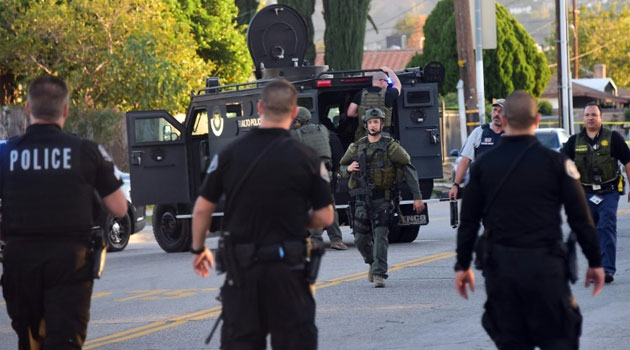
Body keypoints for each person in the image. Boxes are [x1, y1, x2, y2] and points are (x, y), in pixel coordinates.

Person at [454, 90, 605, 350]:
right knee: (559, 340)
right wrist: (595, 262)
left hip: (502, 271)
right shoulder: (556, 163)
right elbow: (581, 218)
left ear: (505, 120)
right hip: (546, 269)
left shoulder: (483, 165)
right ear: (536, 121)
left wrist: (462, 265)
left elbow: (468, 222)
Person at [190, 79, 334, 349]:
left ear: (259, 108)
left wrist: (198, 250)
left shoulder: (229, 154)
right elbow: (326, 217)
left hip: (243, 274)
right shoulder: (307, 158)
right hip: (288, 274)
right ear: (293, 113)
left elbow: (202, 209)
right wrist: (294, 219)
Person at [0, 75, 127, 349]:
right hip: (69, 262)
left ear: (28, 109)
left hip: (20, 261)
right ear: (66, 110)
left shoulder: (6, 153)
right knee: (64, 341)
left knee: (30, 340)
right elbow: (119, 207)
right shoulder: (86, 151)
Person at [340, 108, 425, 288]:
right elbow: (340, 167)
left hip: (383, 198)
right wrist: (347, 170)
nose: (373, 125)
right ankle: (372, 263)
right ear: (366, 125)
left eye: (376, 121)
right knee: (360, 239)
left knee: (380, 235)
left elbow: (409, 168)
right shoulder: (356, 146)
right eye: (370, 122)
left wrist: (417, 197)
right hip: (361, 199)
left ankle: (379, 273)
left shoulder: (391, 147)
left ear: (381, 124)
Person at [561, 102, 630, 284]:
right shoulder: (574, 141)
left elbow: (628, 163)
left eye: (594, 114)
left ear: (601, 117)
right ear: (583, 118)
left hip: (609, 191)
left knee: (606, 225)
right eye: (587, 115)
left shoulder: (613, 138)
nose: (590, 118)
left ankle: (607, 270)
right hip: (585, 192)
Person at [291, 106, 348, 250]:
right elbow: (336, 152)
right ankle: (336, 240)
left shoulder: (294, 135)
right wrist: (336, 171)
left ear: (299, 121)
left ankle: (315, 239)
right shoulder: (324, 130)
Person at [449, 99, 506, 199]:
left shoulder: (513, 134)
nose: (496, 114)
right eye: (494, 110)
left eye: (500, 111)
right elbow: (465, 160)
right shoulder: (479, 132)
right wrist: (456, 185)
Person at [347, 66, 401, 140]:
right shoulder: (388, 94)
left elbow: (350, 113)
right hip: (382, 138)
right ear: (382, 81)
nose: (388, 84)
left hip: (364, 138)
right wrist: (389, 71)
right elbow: (398, 85)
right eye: (387, 82)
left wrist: (364, 114)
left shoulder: (360, 94)